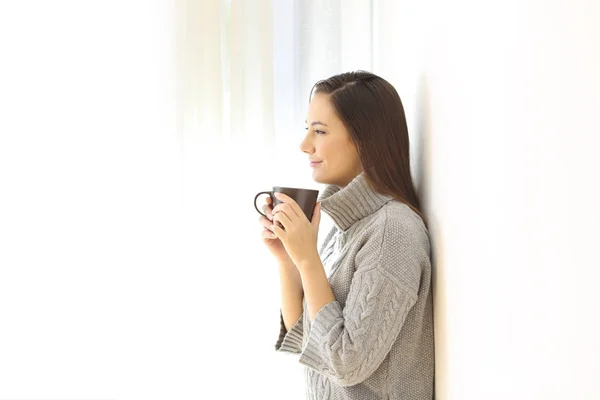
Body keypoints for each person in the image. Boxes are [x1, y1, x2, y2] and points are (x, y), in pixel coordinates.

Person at [258, 71, 434, 400]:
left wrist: (308, 258)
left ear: (363, 139)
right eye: (307, 129)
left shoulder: (391, 233)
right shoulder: (345, 227)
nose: (304, 145)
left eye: (320, 131)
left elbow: (345, 362)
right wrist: (288, 258)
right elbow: (307, 340)